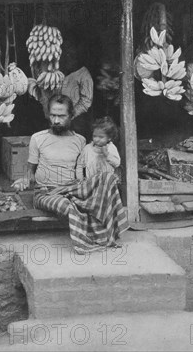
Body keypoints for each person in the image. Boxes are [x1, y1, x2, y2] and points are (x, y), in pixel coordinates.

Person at [13, 94, 128, 254]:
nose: (56, 120)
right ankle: (93, 239)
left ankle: (108, 229)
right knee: (68, 206)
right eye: (53, 115)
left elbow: (84, 168)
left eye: (61, 116)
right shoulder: (37, 138)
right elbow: (29, 172)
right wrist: (24, 180)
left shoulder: (80, 140)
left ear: (72, 116)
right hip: (46, 193)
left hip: (73, 189)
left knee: (107, 178)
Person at [60, 43, 94, 140]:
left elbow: (86, 100)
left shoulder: (84, 74)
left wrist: (72, 113)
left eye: (72, 56)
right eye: (66, 56)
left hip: (78, 119)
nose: (69, 59)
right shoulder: (62, 74)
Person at [76, 116, 121, 180]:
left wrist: (107, 154)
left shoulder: (111, 148)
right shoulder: (87, 149)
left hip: (107, 184)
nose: (97, 139)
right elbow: (79, 165)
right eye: (94, 136)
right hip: (91, 183)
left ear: (109, 138)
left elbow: (117, 163)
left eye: (101, 137)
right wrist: (80, 180)